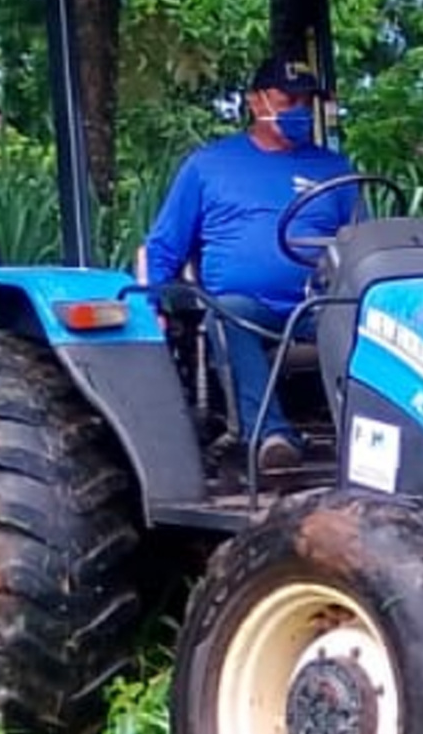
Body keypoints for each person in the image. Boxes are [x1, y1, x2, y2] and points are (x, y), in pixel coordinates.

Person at [137, 55, 360, 475]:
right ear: (256, 102)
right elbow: (164, 245)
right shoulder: (209, 166)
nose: (298, 110)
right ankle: (272, 438)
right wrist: (151, 308)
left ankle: (369, 443)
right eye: (286, 99)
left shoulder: (334, 169)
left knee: (367, 324)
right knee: (231, 313)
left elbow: (361, 243)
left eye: (304, 101)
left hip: (319, 305)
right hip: (246, 306)